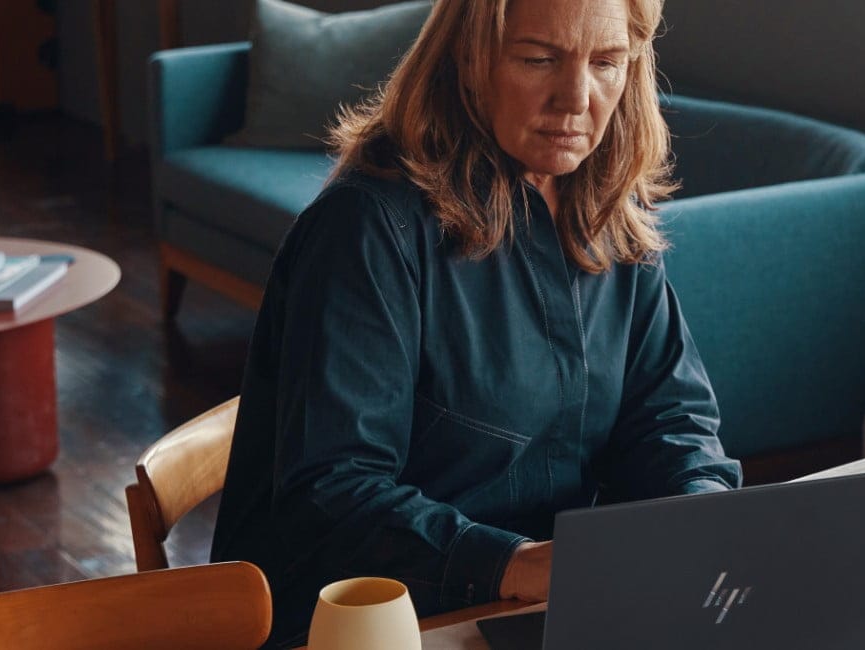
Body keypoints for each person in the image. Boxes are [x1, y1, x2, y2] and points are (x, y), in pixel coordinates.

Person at [209, 0, 741, 644]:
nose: (576, 99)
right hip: (375, 620)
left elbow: (670, 417)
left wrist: (700, 508)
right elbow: (333, 493)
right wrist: (515, 565)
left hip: (538, 608)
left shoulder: (602, 205)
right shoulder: (368, 228)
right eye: (538, 59)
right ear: (468, 60)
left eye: (606, 62)